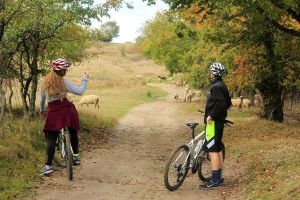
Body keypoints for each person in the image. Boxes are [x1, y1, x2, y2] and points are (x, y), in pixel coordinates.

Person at [39, 58, 89, 175]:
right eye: (66, 69)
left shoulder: (44, 83)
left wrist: (42, 110)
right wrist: (85, 80)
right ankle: (76, 157)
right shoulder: (64, 82)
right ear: (63, 71)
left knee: (51, 138)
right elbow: (80, 91)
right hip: (67, 109)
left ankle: (47, 166)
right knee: (73, 131)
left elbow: (42, 100)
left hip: (53, 111)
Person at [200, 62, 232, 189]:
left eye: (211, 72)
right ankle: (218, 178)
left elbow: (221, 104)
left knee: (212, 151)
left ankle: (214, 180)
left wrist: (211, 115)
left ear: (214, 73)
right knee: (217, 149)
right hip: (218, 122)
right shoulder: (222, 85)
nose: (210, 74)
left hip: (213, 123)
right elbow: (228, 103)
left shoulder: (216, 87)